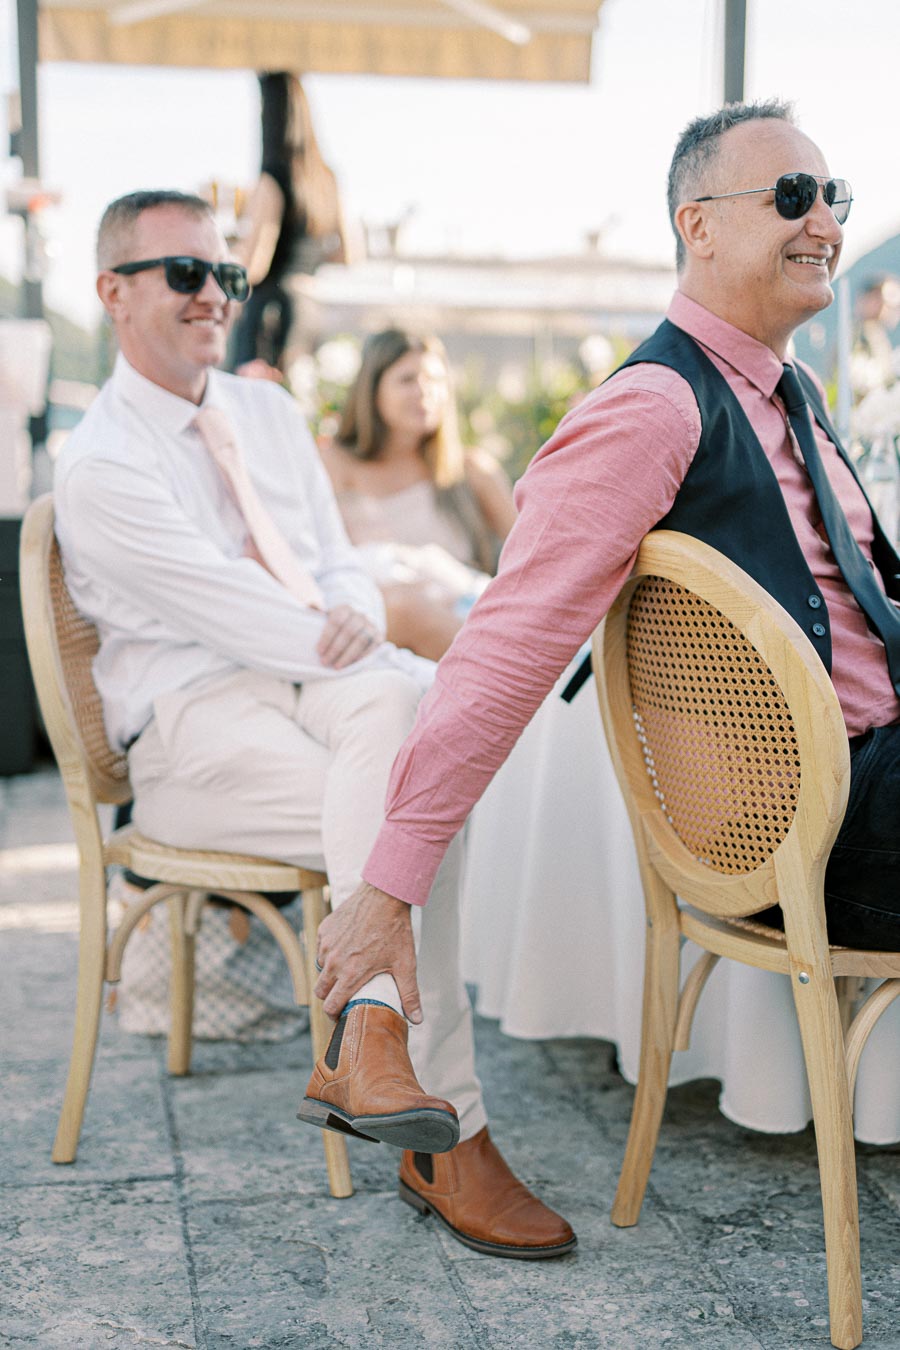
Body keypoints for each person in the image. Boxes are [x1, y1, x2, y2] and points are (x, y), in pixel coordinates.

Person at [309, 102, 900, 1139]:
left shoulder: (791, 389)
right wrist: (387, 889)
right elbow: (504, 648)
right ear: (698, 225)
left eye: (832, 196)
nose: (824, 224)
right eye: (792, 197)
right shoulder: (654, 408)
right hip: (828, 821)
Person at [53, 188, 574, 1260]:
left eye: (225, 275)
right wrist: (354, 633)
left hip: (312, 687)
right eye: (185, 274)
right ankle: (450, 1138)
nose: (215, 295)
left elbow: (344, 565)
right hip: (191, 728)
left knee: (405, 727)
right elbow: (223, 607)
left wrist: (365, 619)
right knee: (421, 806)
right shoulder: (98, 461)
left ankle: (375, 1042)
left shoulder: (269, 414)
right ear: (112, 292)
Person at [320, 329, 516, 659]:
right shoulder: (334, 464)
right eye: (407, 379)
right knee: (401, 606)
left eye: (435, 379)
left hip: (462, 628)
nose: (425, 391)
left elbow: (535, 560)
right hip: (377, 640)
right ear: (372, 390)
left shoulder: (470, 470)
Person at [230, 73, 349, 376]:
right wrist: (303, 260)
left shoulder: (272, 180)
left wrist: (228, 247)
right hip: (310, 308)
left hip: (270, 314)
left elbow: (254, 266)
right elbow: (347, 255)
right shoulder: (326, 178)